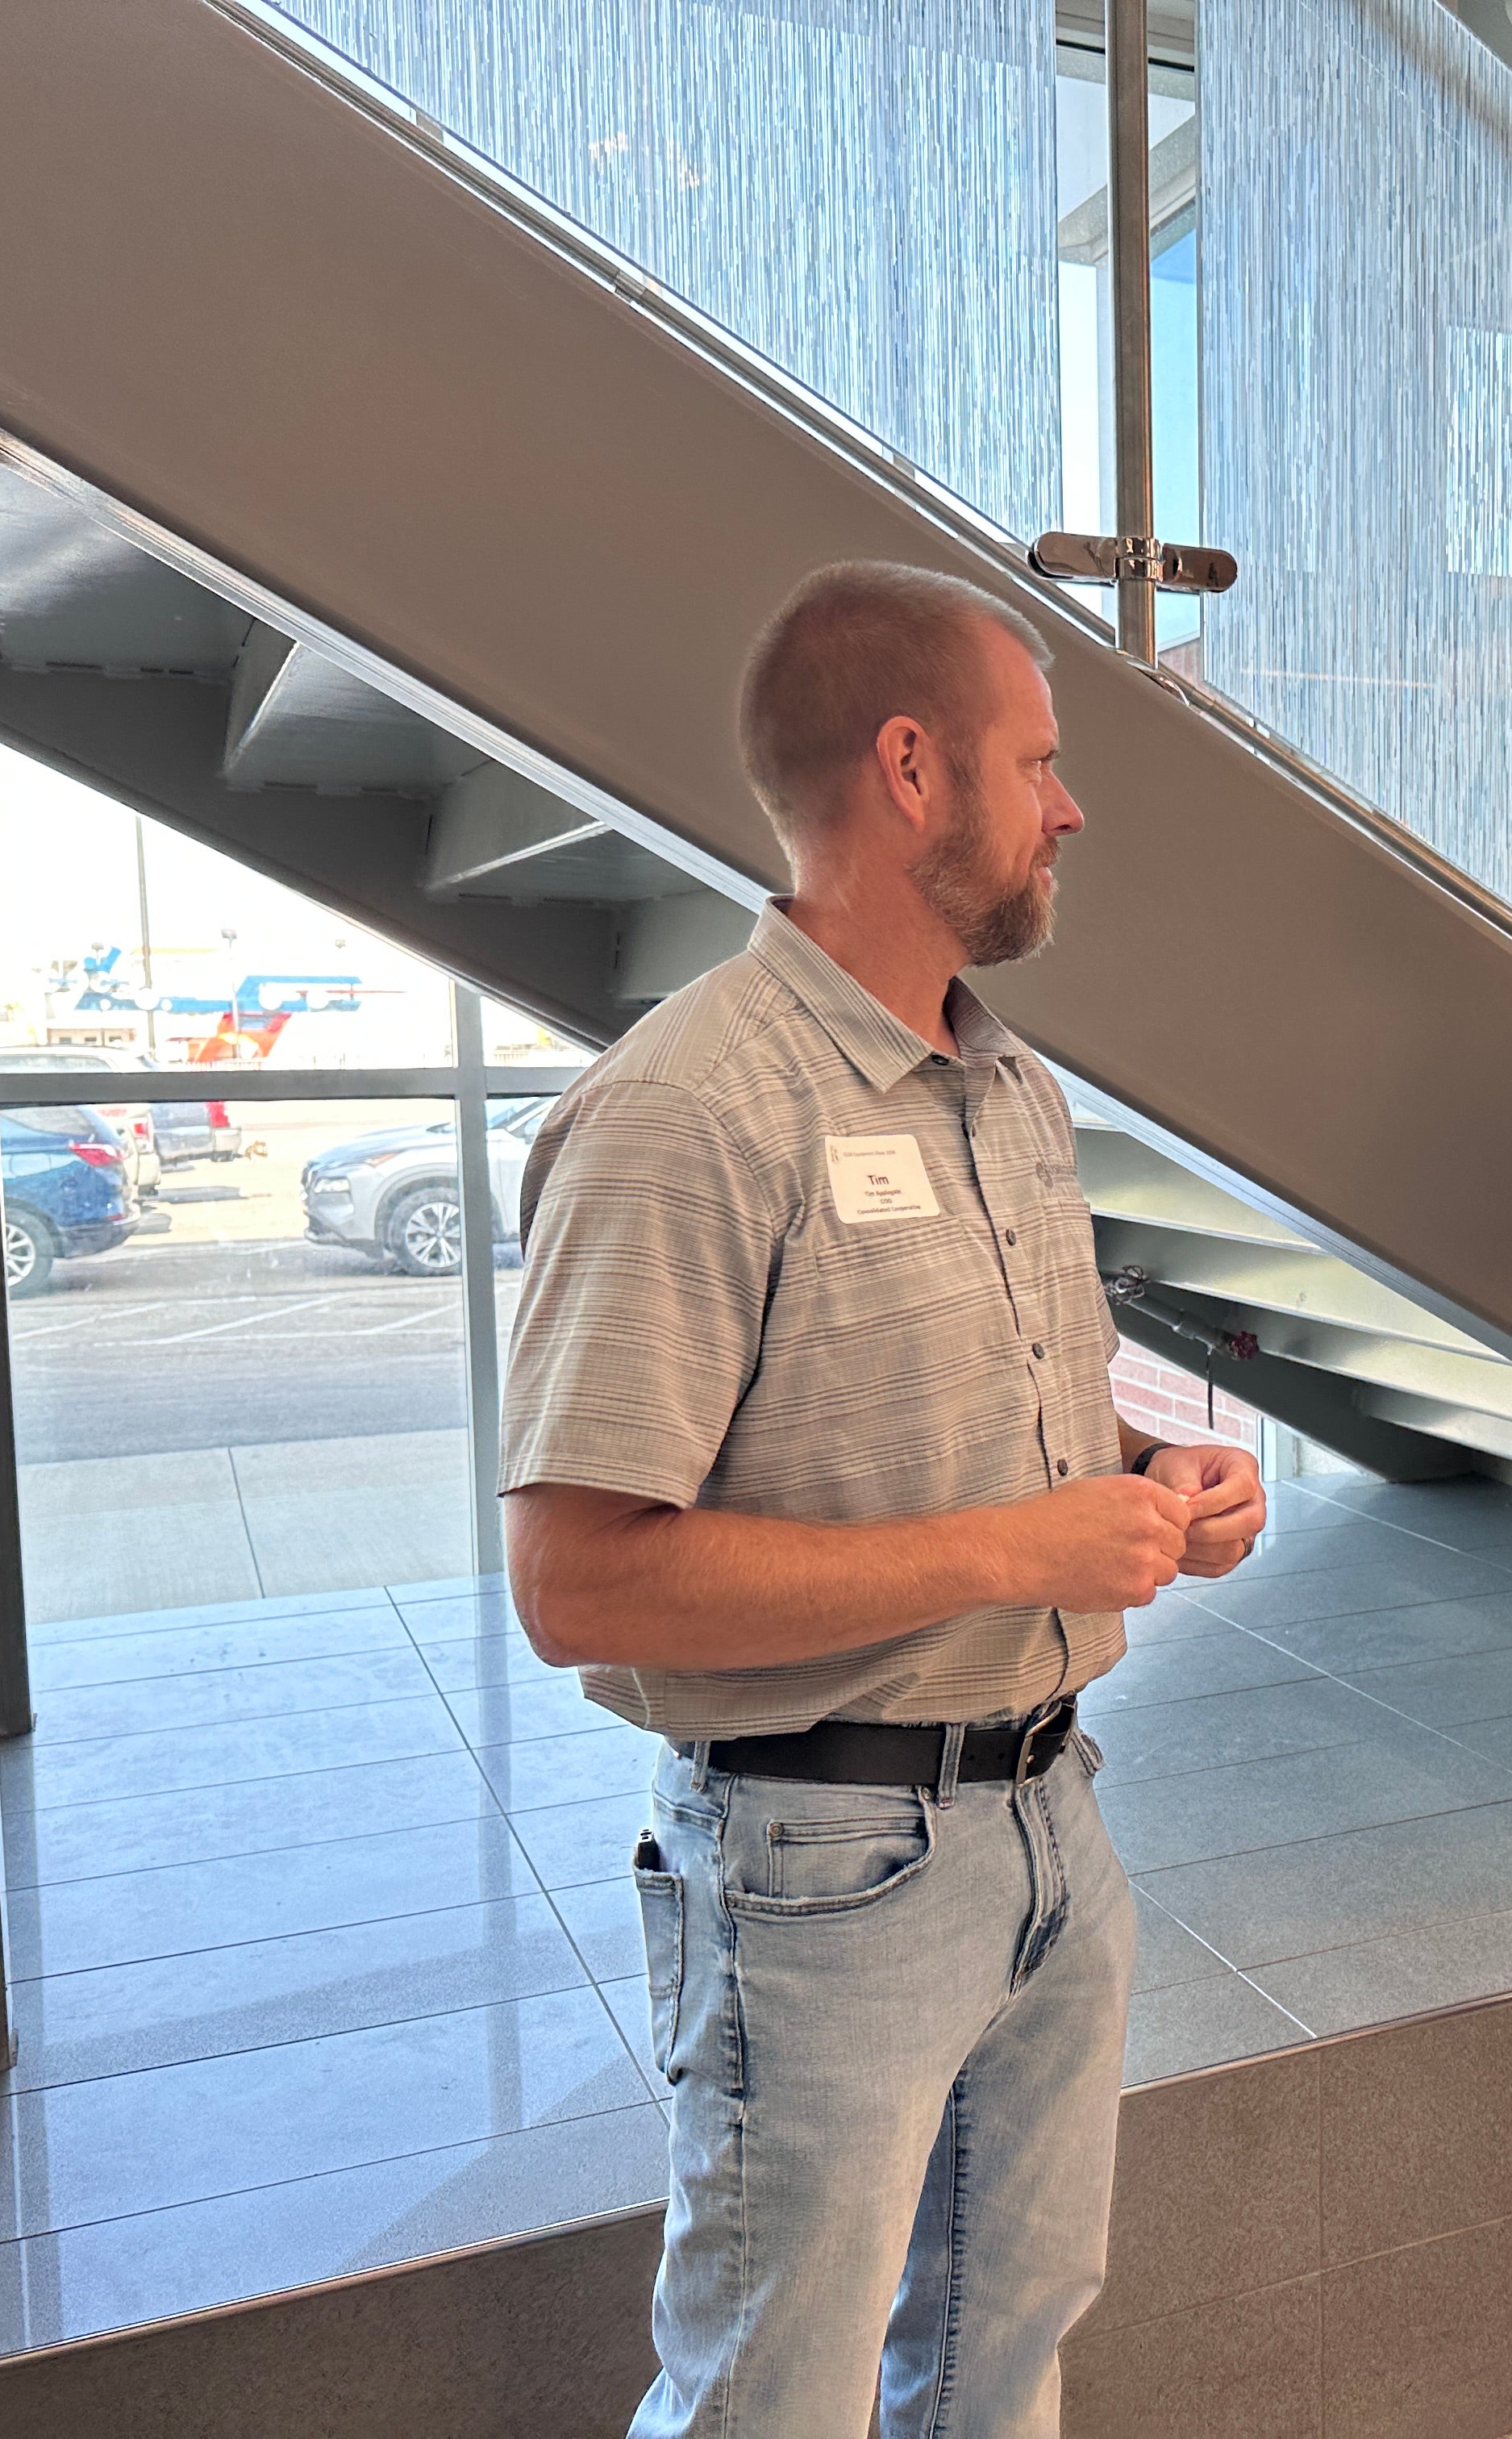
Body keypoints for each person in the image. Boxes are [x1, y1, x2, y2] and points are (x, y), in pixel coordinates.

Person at [498, 559, 1266, 2439]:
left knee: (999, 2354)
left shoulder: (1007, 1093)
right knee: (778, 2398)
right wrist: (1019, 1548)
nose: (1071, 808)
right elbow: (579, 1585)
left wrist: (1149, 1483)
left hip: (1048, 1828)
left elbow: (1007, 1428)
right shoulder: (688, 1111)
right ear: (913, 773)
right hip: (822, 1875)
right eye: (1040, 761)